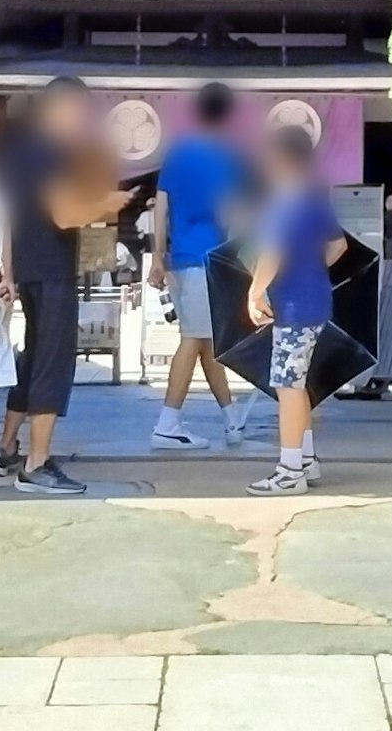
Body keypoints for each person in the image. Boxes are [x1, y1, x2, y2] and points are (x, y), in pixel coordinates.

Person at [0, 76, 128, 495]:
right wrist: (106, 204)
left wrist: (8, 272)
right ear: (62, 109)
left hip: (30, 266)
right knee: (52, 364)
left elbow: (10, 218)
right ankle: (36, 464)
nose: (82, 123)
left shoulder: (18, 152)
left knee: (33, 361)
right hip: (52, 268)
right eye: (81, 114)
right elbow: (65, 215)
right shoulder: (51, 153)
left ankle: (5, 448)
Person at [240, 120, 353, 494]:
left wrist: (255, 292)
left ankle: (290, 469)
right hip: (316, 298)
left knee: (287, 385)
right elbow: (338, 247)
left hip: (291, 304)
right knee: (297, 383)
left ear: (280, 158)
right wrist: (309, 265)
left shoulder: (282, 201)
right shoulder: (314, 198)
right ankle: (306, 458)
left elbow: (272, 252)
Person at [144, 82, 253, 450]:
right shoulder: (226, 158)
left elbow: (160, 204)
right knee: (193, 339)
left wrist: (159, 257)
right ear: (229, 115)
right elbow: (230, 212)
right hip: (210, 260)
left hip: (180, 258)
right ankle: (167, 422)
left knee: (206, 340)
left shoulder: (178, 153)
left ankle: (230, 416)